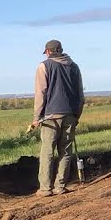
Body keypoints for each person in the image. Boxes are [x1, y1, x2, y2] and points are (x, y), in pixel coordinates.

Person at [30, 39, 84, 197]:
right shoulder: (74, 66)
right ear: (60, 50)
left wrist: (36, 117)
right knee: (65, 151)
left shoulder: (44, 66)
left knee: (47, 151)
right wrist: (77, 115)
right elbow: (80, 95)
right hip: (70, 114)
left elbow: (41, 93)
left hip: (50, 117)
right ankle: (60, 186)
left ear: (48, 52)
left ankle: (45, 188)